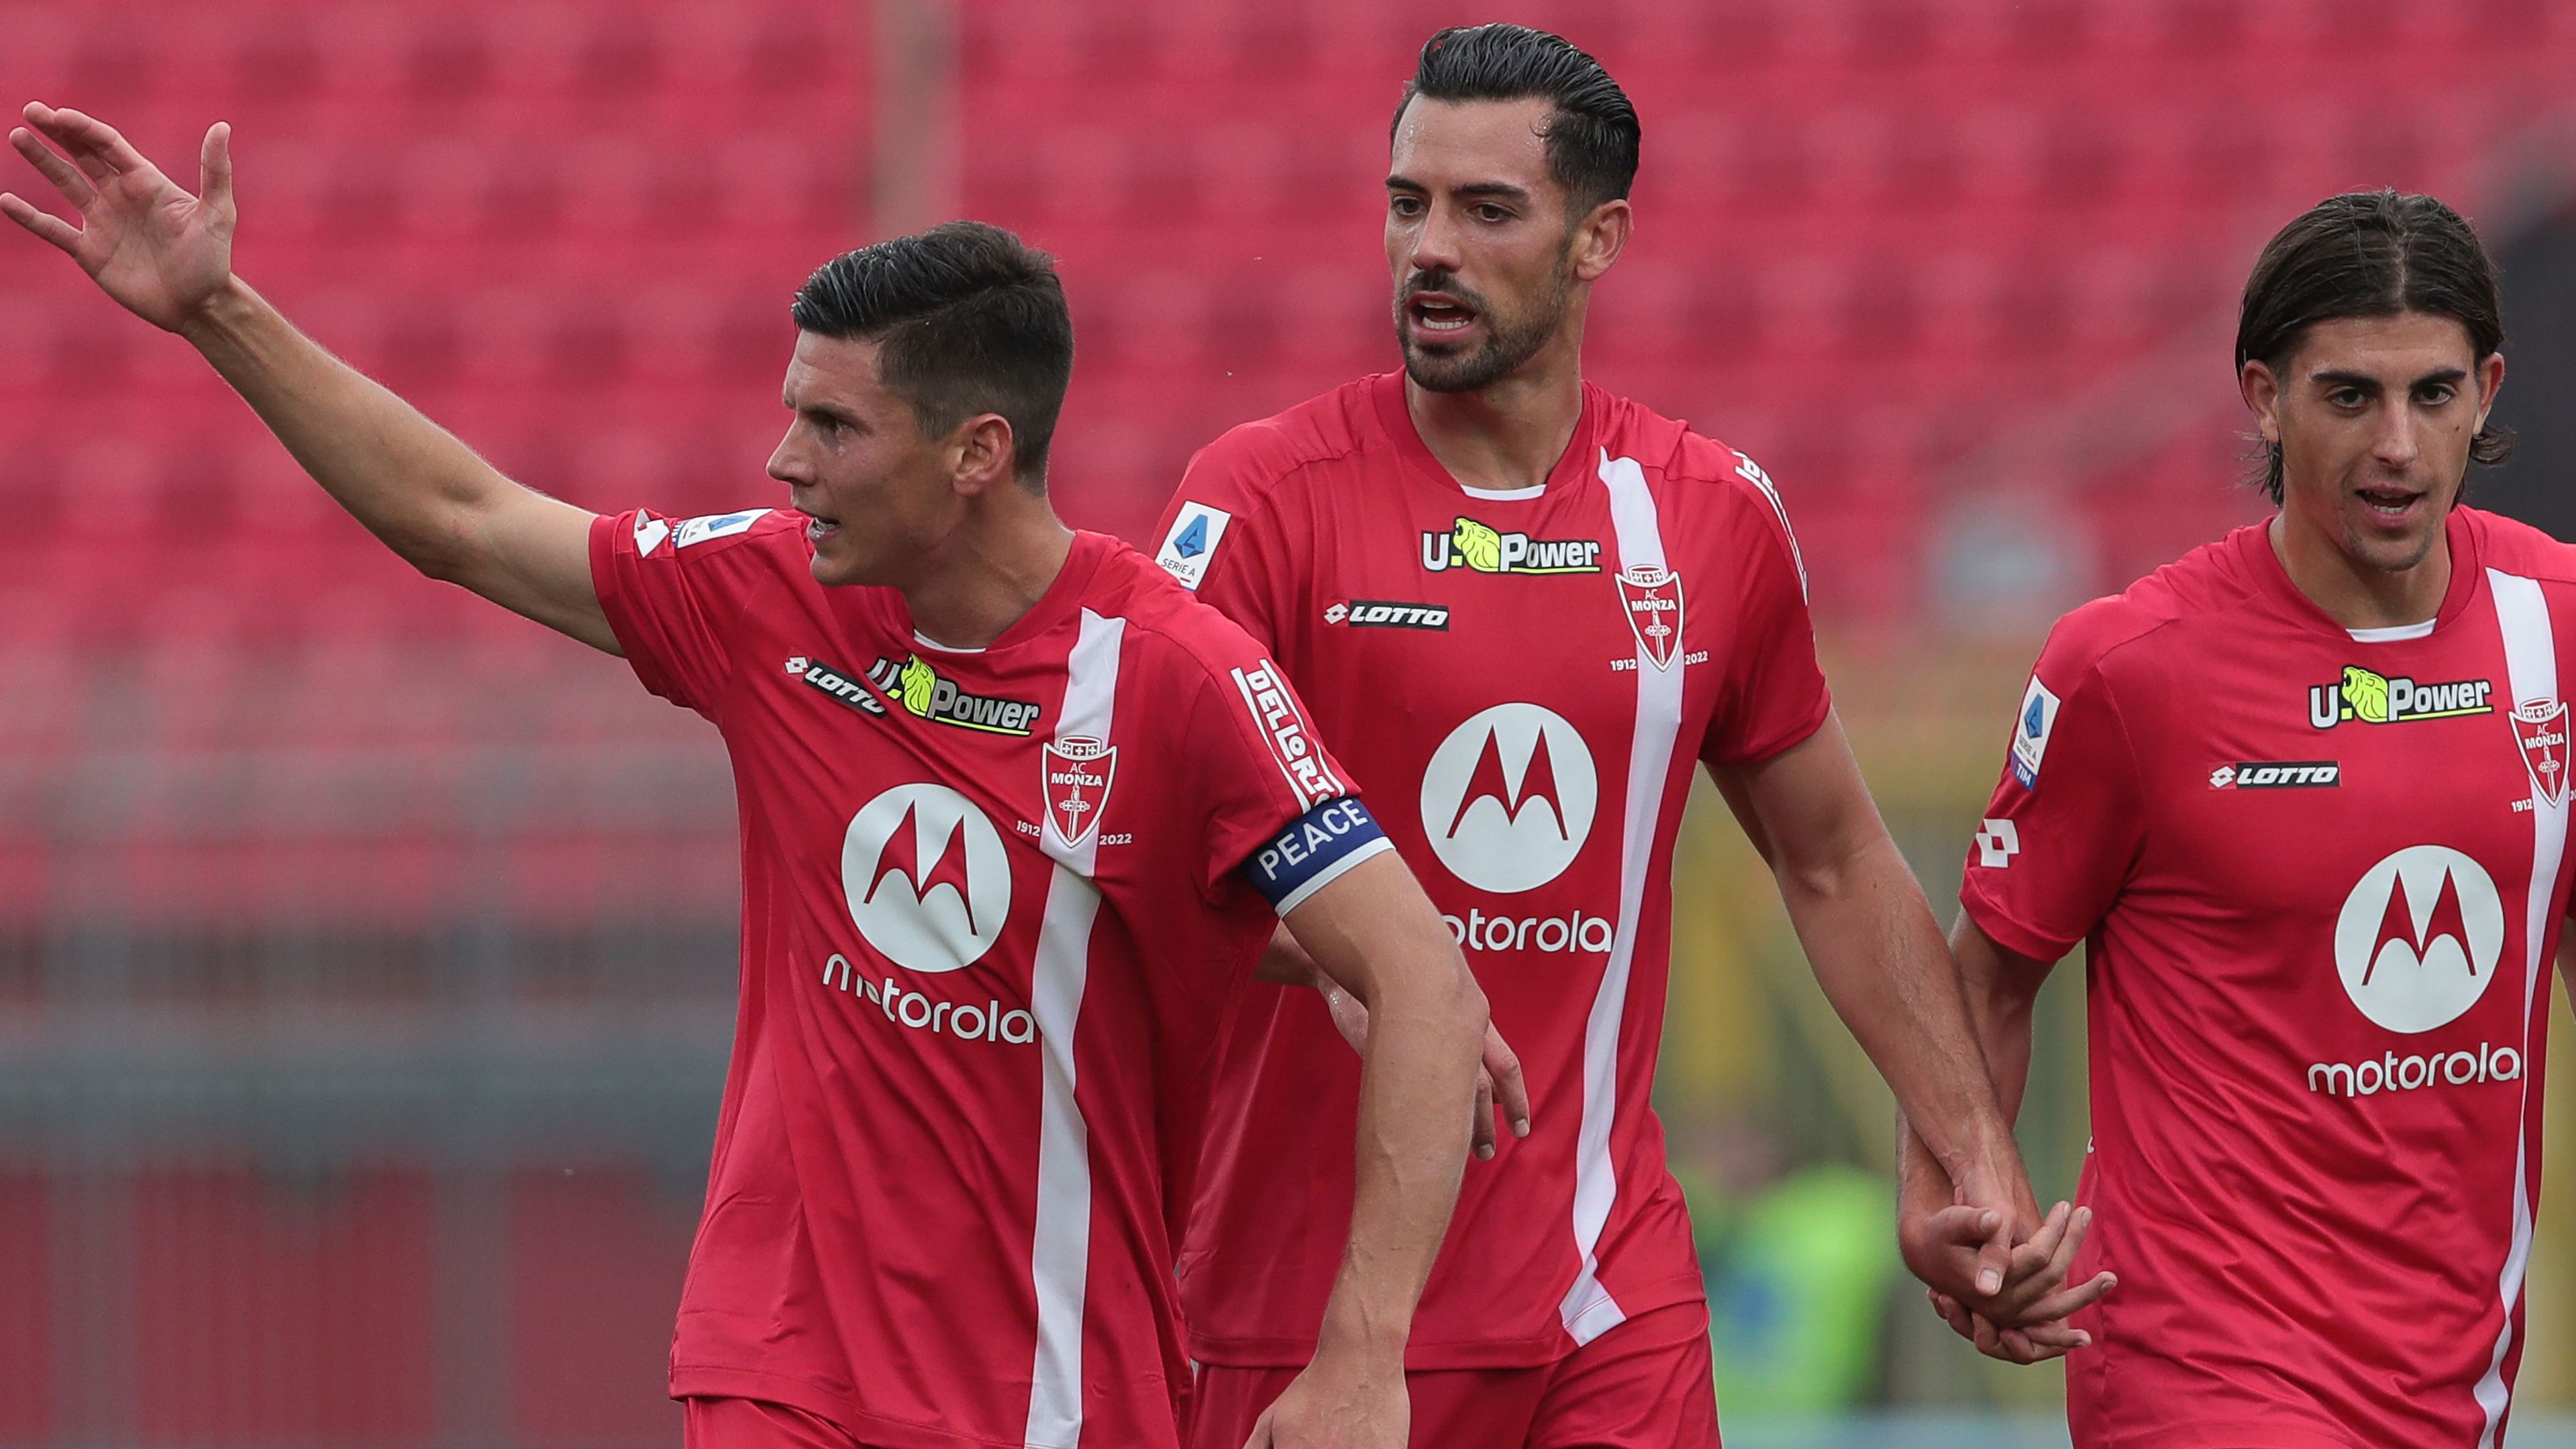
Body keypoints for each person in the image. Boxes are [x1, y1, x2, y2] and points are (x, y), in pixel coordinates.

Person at [4, 102, 1493, 1449]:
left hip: (1057, 1390)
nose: (782, 460)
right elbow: (461, 516)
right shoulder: (771, 600)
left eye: (833, 426)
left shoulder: (1177, 675)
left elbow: (1424, 978)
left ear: (977, 451)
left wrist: (1362, 1357)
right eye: (794, 410)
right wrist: (218, 316)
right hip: (779, 1369)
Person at [1149, 27, 2095, 1448]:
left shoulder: (1709, 514)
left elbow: (1834, 860)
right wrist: (1364, 967)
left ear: (1600, 241)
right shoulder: (1263, 498)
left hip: (1607, 1291)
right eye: (1408, 204)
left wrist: (1970, 1162)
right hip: (1307, 1303)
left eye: (1486, 211)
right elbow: (1134, 849)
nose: (1429, 249)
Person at [1906, 189, 2569, 1445]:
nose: (2398, 446)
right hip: (2199, 1364)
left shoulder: (2559, 629)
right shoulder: (2129, 667)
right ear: (2265, 398)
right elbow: (1986, 977)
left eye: (2433, 394)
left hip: (2457, 1363)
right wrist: (1959, 1199)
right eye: (2348, 397)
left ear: (2487, 389)